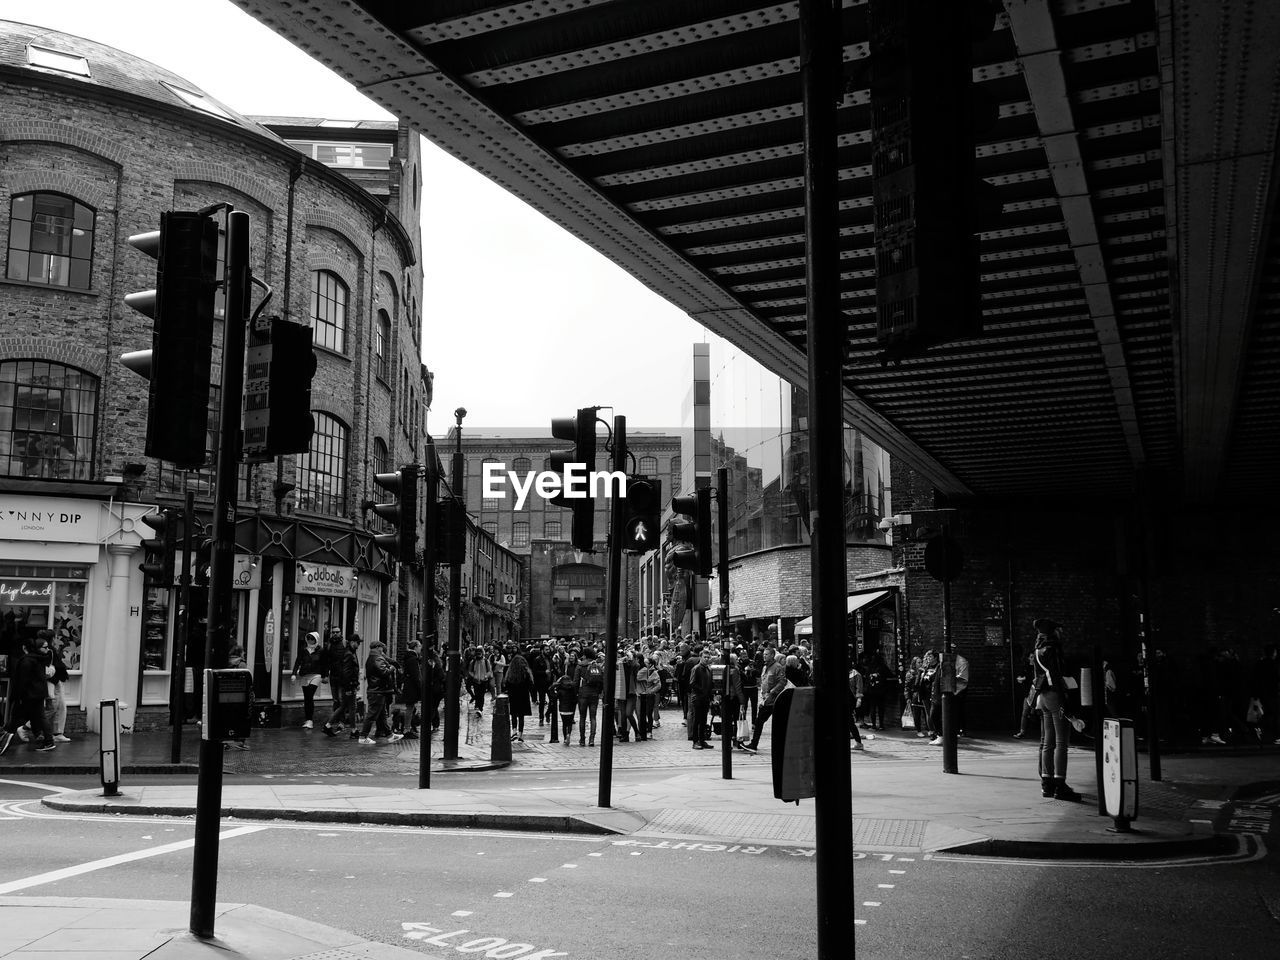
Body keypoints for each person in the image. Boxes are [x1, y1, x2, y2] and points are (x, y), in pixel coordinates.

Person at [1031, 618, 1081, 801]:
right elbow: (1058, 676)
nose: (1061, 633)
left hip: (1043, 697)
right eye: (1058, 630)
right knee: (1061, 743)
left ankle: (1047, 784)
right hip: (1055, 697)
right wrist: (1066, 706)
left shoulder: (1037, 650)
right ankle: (1060, 785)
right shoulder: (1053, 649)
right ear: (1053, 632)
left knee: (1047, 743)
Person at [0, 633, 57, 755]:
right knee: (38, 716)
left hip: (29, 695)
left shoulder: (27, 661)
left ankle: (5, 736)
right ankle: (44, 738)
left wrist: (17, 696)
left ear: (24, 648)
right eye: (45, 647)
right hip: (37, 693)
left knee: (18, 716)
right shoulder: (38, 659)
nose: (48, 650)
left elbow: (22, 681)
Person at [359, 640, 403, 744]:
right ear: (378, 647)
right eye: (382, 648)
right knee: (372, 715)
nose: (383, 650)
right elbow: (384, 672)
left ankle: (390, 735)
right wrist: (392, 668)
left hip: (377, 691)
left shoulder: (372, 657)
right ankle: (363, 736)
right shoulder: (377, 658)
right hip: (377, 691)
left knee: (382, 714)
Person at [742, 647, 784, 753]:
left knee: (761, 722)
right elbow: (764, 681)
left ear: (772, 655)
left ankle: (754, 744)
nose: (764, 656)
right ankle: (754, 744)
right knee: (759, 722)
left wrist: (772, 692)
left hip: (772, 700)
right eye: (764, 654)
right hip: (765, 700)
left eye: (766, 654)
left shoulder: (777, 667)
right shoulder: (765, 667)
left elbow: (782, 682)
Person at [323, 633, 361, 738]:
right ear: (353, 642)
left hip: (348, 685)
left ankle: (328, 725)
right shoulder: (349, 654)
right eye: (358, 643)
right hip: (349, 686)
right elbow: (347, 672)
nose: (359, 645)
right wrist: (350, 686)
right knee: (352, 708)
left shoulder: (351, 652)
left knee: (343, 706)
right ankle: (353, 731)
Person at [290, 631, 325, 730]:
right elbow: (298, 661)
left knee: (310, 694)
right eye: (308, 638)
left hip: (316, 675)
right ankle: (308, 719)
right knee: (307, 698)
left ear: (316, 639)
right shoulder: (303, 650)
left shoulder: (321, 650)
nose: (310, 640)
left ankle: (310, 721)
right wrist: (293, 673)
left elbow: (325, 664)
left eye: (312, 638)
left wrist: (325, 676)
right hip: (305, 675)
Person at [574, 648, 605, 746]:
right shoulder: (597, 665)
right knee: (593, 717)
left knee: (582, 717)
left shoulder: (580, 665)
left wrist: (576, 693)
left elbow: (576, 681)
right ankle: (592, 739)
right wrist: (599, 692)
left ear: (584, 655)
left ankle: (582, 739)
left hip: (583, 693)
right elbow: (601, 680)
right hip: (594, 694)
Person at [505, 645, 533, 742]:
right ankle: (520, 734)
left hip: (513, 695)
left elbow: (506, 683)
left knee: (513, 714)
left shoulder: (511, 673)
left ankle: (514, 732)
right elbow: (531, 683)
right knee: (521, 716)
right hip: (523, 696)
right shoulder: (526, 673)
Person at [688, 649, 714, 749]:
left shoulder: (708, 669)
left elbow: (710, 683)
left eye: (708, 657)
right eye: (705, 657)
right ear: (701, 657)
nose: (706, 659)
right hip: (698, 697)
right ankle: (695, 741)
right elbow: (692, 683)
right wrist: (702, 690)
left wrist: (710, 695)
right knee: (697, 720)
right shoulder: (696, 668)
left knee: (703, 720)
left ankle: (702, 740)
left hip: (705, 698)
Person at [400, 639, 423, 737]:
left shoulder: (410, 657)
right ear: (415, 647)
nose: (420, 648)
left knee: (411, 708)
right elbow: (416, 676)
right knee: (409, 708)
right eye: (419, 646)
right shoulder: (413, 659)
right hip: (411, 687)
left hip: (409, 686)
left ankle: (407, 728)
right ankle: (406, 729)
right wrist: (420, 688)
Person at [554, 666, 578, 745]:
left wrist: (554, 686)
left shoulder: (560, 690)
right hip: (571, 709)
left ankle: (565, 738)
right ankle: (569, 734)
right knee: (570, 723)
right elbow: (575, 699)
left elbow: (554, 696)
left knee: (564, 724)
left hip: (563, 709)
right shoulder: (572, 689)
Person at [847, 663, 866, 751]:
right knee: (849, 722)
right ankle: (858, 742)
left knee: (849, 721)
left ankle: (859, 743)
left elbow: (859, 688)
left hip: (851, 699)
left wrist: (859, 699)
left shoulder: (856, 674)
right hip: (845, 699)